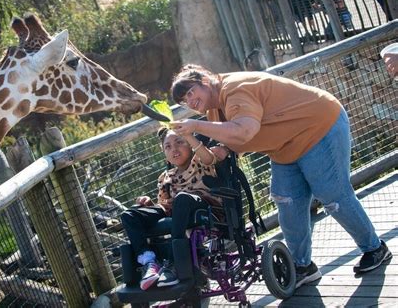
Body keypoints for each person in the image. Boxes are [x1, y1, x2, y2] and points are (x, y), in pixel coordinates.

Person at [169, 64, 392, 289]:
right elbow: (229, 142)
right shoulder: (214, 110)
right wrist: (217, 146)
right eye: (183, 100)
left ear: (205, 81)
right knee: (286, 200)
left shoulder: (235, 89)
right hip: (285, 147)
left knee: (331, 193)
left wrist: (197, 125)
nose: (189, 101)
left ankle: (374, 248)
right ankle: (302, 266)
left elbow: (245, 129)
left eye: (190, 92)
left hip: (318, 128)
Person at [120, 127, 228, 290]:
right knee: (129, 215)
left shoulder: (200, 160)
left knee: (182, 199)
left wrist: (188, 135)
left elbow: (208, 158)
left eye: (179, 142)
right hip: (174, 210)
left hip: (203, 207)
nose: (174, 149)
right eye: (168, 146)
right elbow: (163, 205)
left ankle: (174, 264)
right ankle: (149, 262)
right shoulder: (165, 177)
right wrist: (148, 204)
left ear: (190, 144)